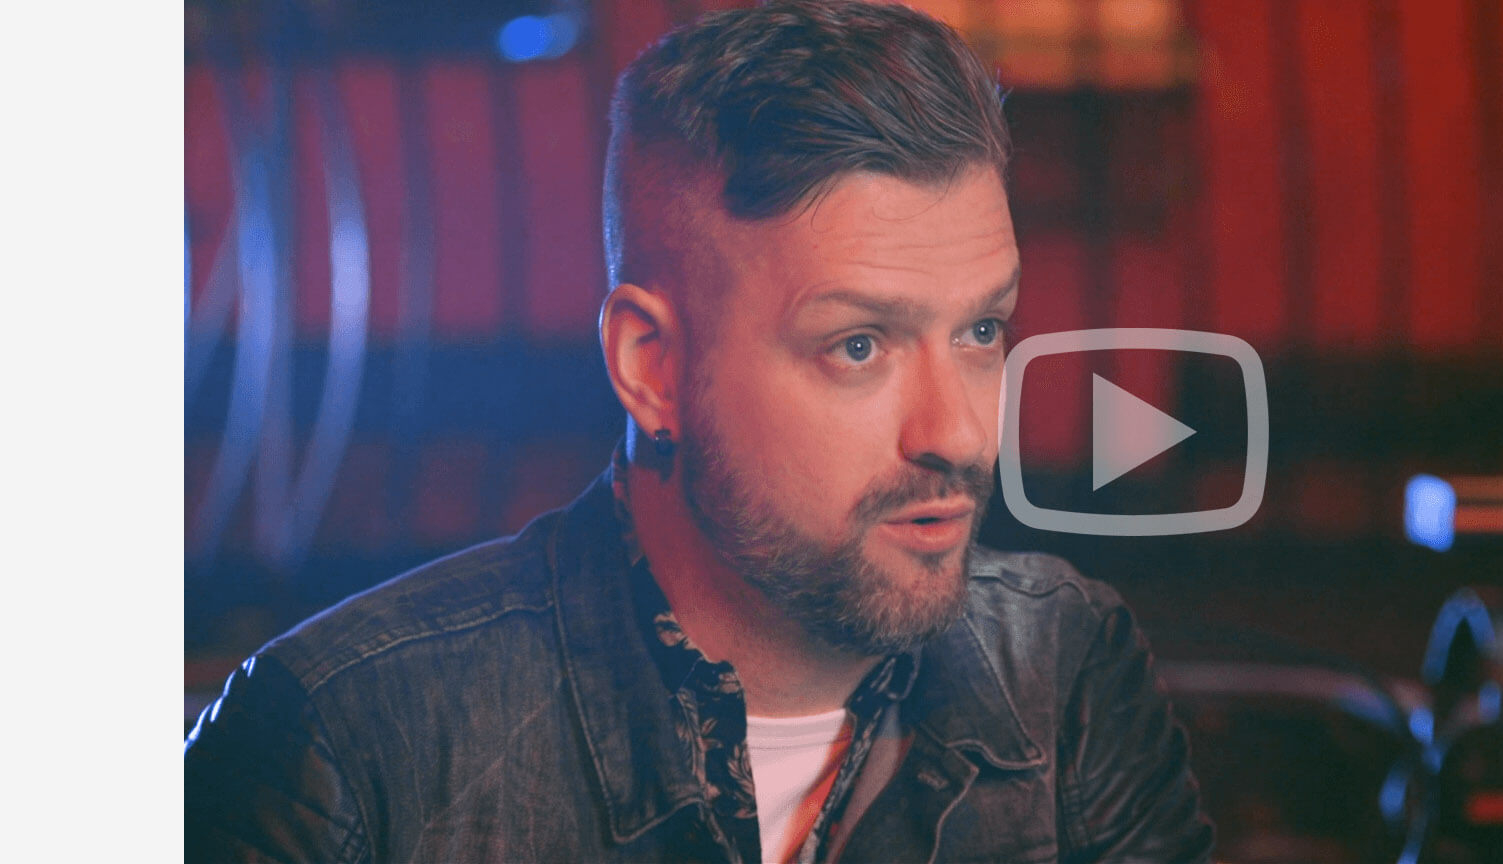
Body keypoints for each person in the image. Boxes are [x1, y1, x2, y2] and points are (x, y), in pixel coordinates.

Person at [183, 1, 1214, 861]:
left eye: (981, 331)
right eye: (859, 346)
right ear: (653, 369)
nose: (958, 433)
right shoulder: (345, 743)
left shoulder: (1062, 663)